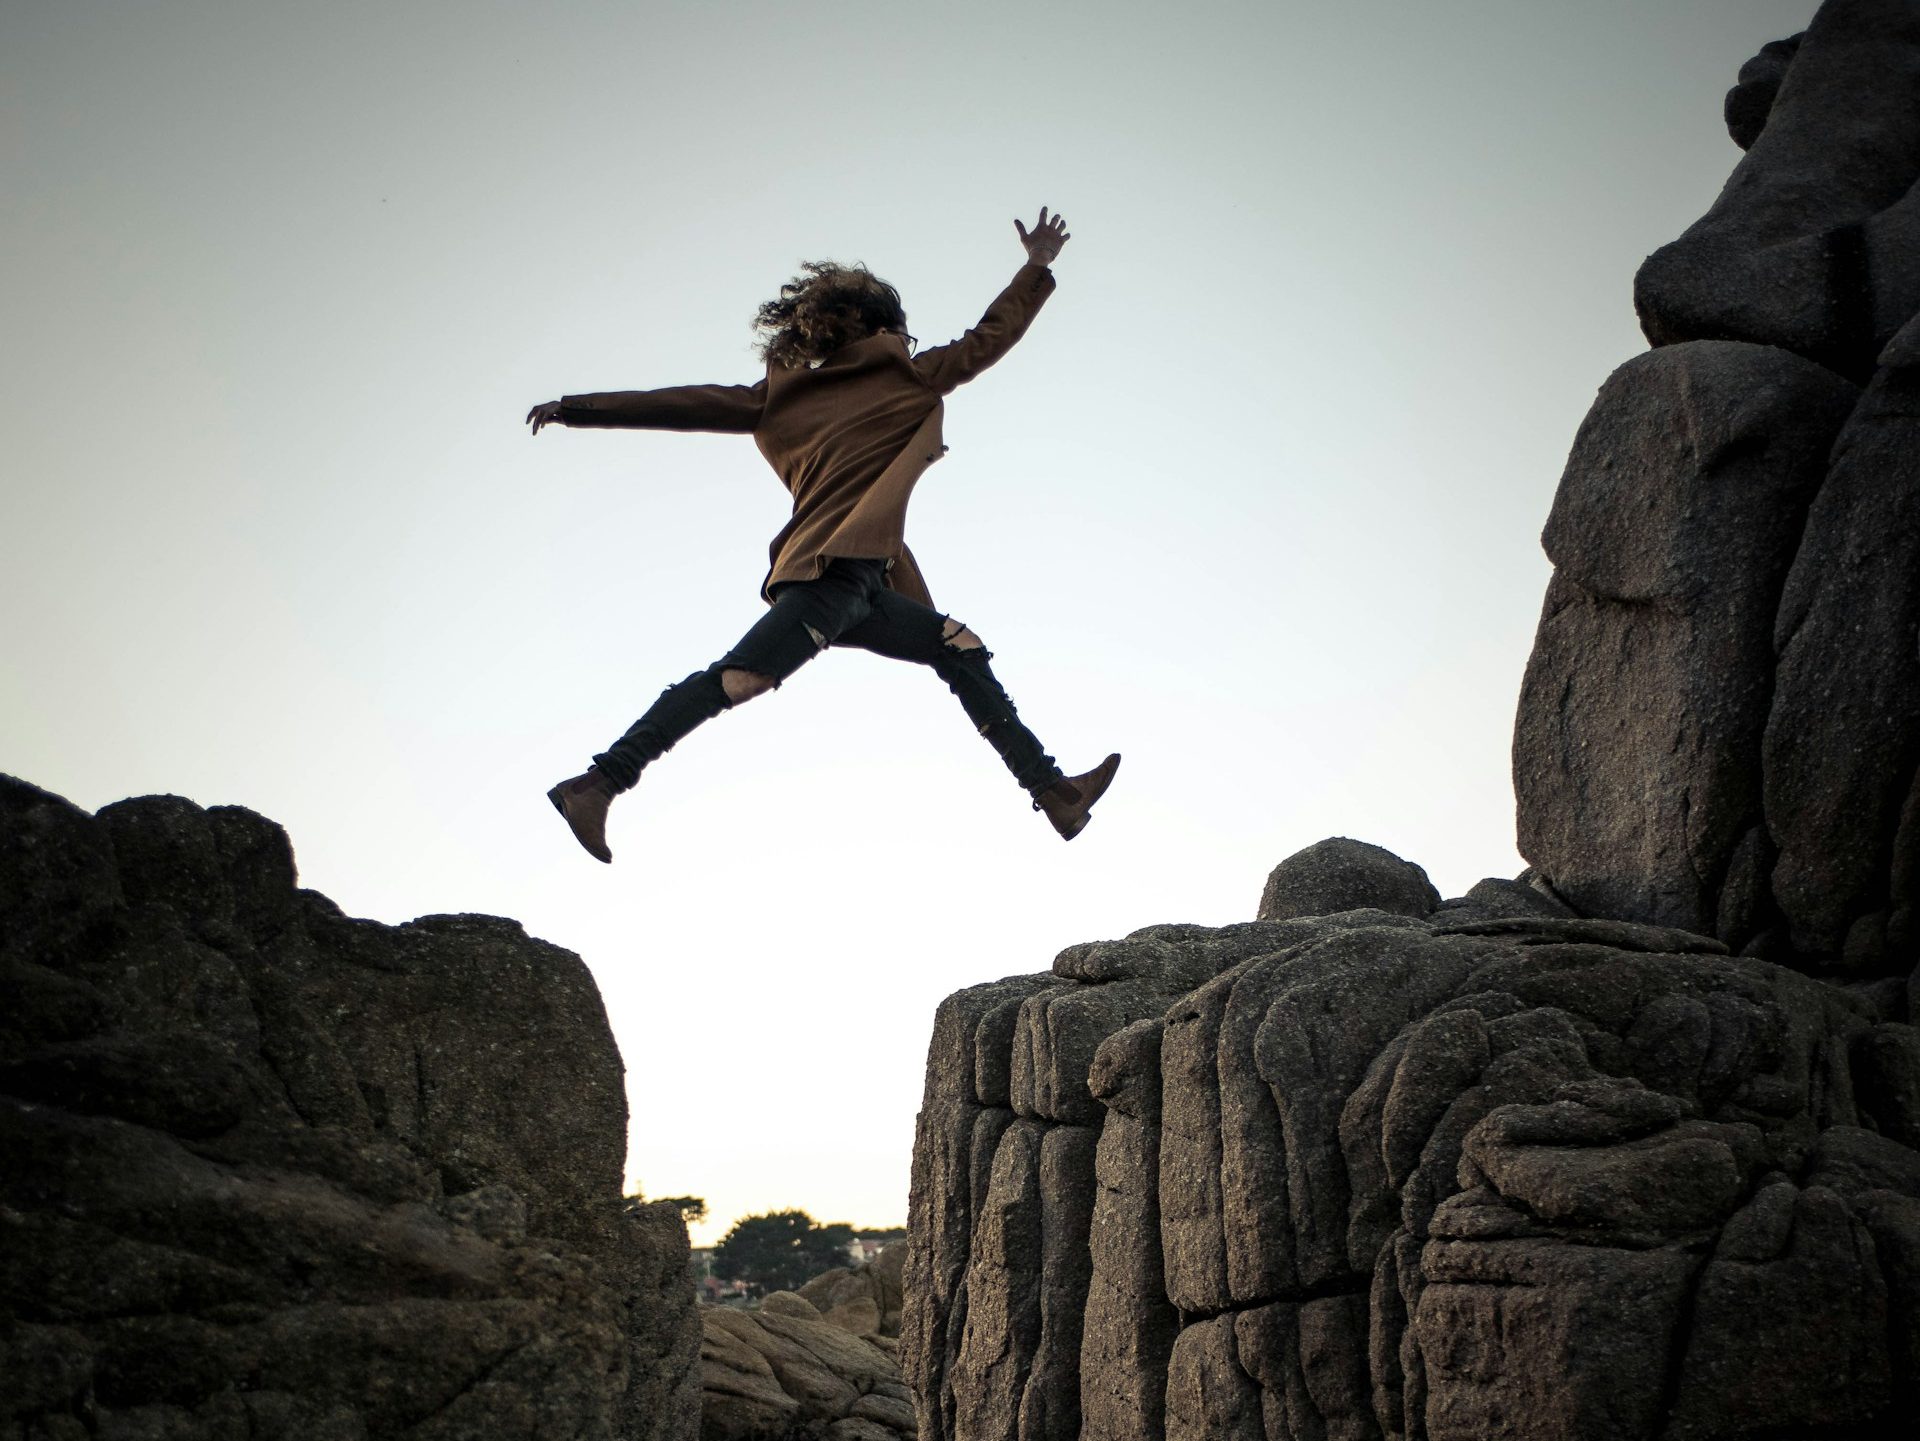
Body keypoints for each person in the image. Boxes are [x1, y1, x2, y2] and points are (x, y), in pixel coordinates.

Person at [527, 207, 1119, 863]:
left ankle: (1054, 791)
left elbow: (682, 400)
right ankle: (600, 782)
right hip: (828, 577)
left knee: (959, 646)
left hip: (866, 583)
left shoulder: (782, 396)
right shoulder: (905, 375)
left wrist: (579, 408)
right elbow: (989, 337)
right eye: (902, 328)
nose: (909, 338)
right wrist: (1035, 266)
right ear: (882, 328)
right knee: (739, 678)